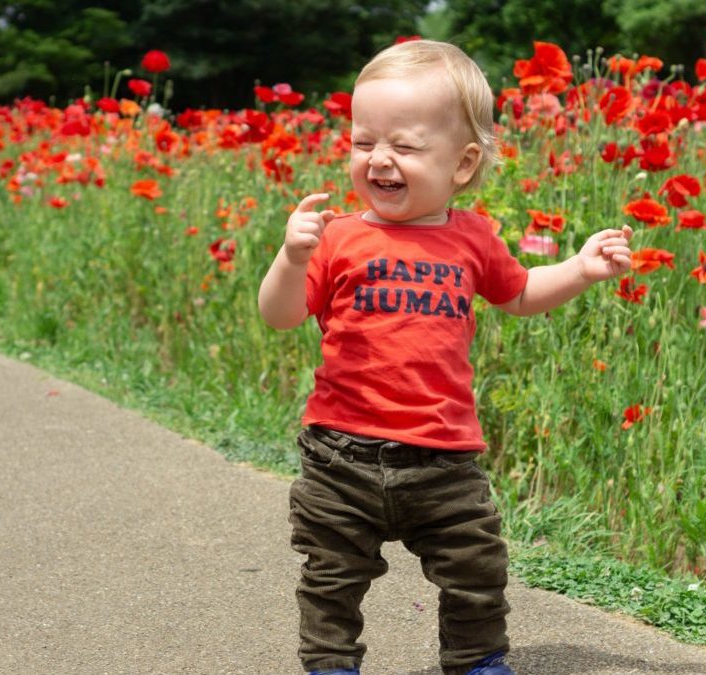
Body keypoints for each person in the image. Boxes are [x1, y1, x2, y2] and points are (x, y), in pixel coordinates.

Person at [257, 38, 633, 675]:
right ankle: (329, 664)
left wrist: (578, 268)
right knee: (331, 576)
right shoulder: (339, 237)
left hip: (445, 455)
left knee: (476, 570)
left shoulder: (474, 237)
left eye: (403, 146)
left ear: (462, 165)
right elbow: (280, 313)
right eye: (362, 142)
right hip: (341, 453)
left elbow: (519, 294)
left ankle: (477, 662)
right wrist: (291, 259)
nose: (378, 160)